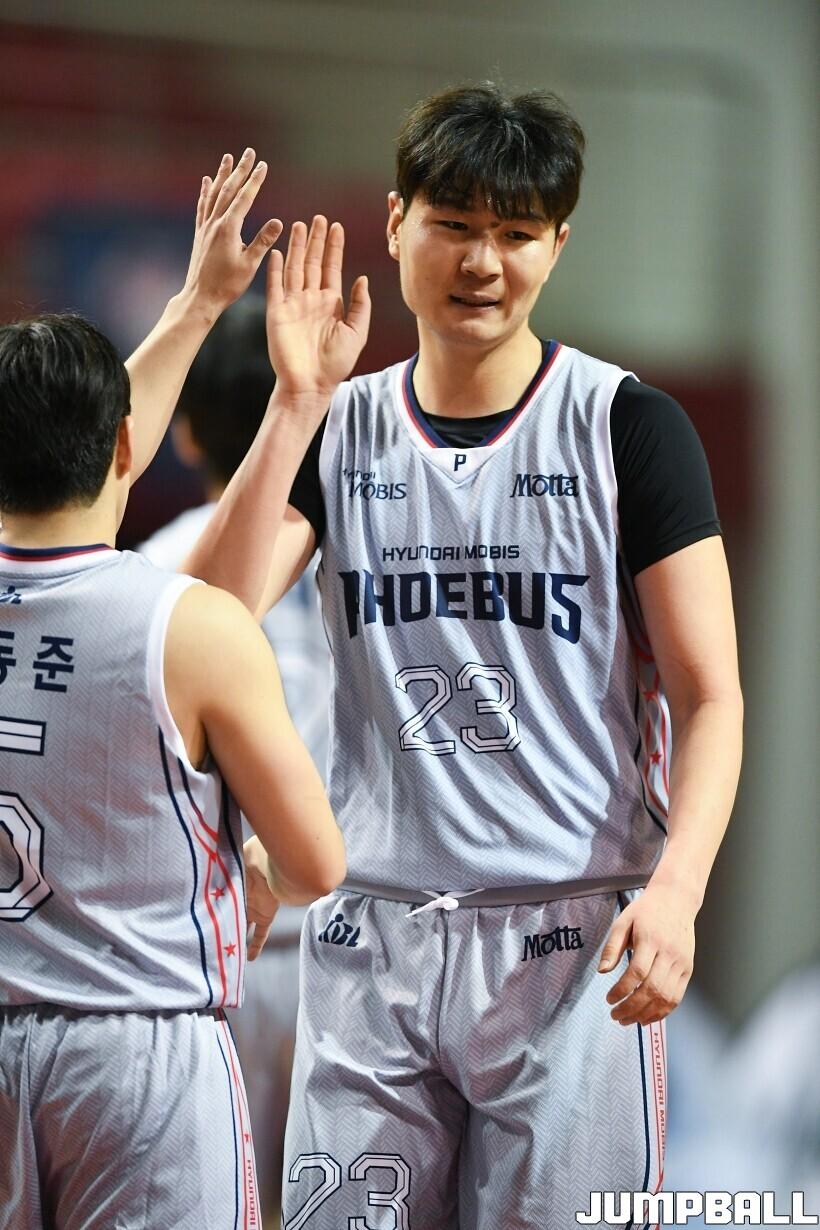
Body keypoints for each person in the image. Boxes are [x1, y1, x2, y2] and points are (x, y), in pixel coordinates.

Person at [151, 89, 742, 1226]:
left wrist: (678, 892)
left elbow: (710, 695)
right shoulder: (337, 426)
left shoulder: (629, 426)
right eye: (455, 224)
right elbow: (204, 619)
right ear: (395, 222)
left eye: (516, 233)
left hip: (569, 938)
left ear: (557, 244)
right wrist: (294, 403)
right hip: (371, 934)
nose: (483, 261)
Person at [0, 160, 345, 1230]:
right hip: (139, 1050)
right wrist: (296, 402)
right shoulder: (187, 621)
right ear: (125, 447)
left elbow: (102, 440)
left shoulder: (171, 597)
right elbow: (316, 863)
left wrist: (197, 301)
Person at [139, 296, 330, 1214]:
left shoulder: (152, 572)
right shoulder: (364, 552)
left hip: (211, 955)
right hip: (349, 949)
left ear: (183, 436)